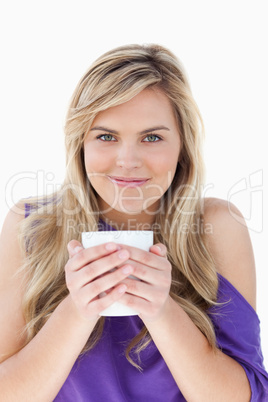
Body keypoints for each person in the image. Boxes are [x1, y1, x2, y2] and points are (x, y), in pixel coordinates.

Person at [0, 43, 267, 401]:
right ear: (80, 143)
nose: (127, 160)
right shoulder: (30, 225)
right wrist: (78, 310)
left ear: (182, 146)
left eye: (152, 137)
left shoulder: (218, 226)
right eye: (106, 136)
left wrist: (162, 311)